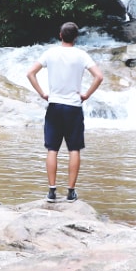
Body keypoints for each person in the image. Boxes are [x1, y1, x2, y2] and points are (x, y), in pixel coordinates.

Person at [26, 21, 103, 203]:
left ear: (60, 35)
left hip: (54, 106)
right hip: (73, 107)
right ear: (76, 37)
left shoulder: (50, 53)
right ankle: (70, 192)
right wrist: (86, 95)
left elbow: (30, 73)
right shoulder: (81, 55)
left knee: (52, 149)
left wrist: (43, 94)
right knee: (74, 149)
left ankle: (52, 192)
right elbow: (99, 77)